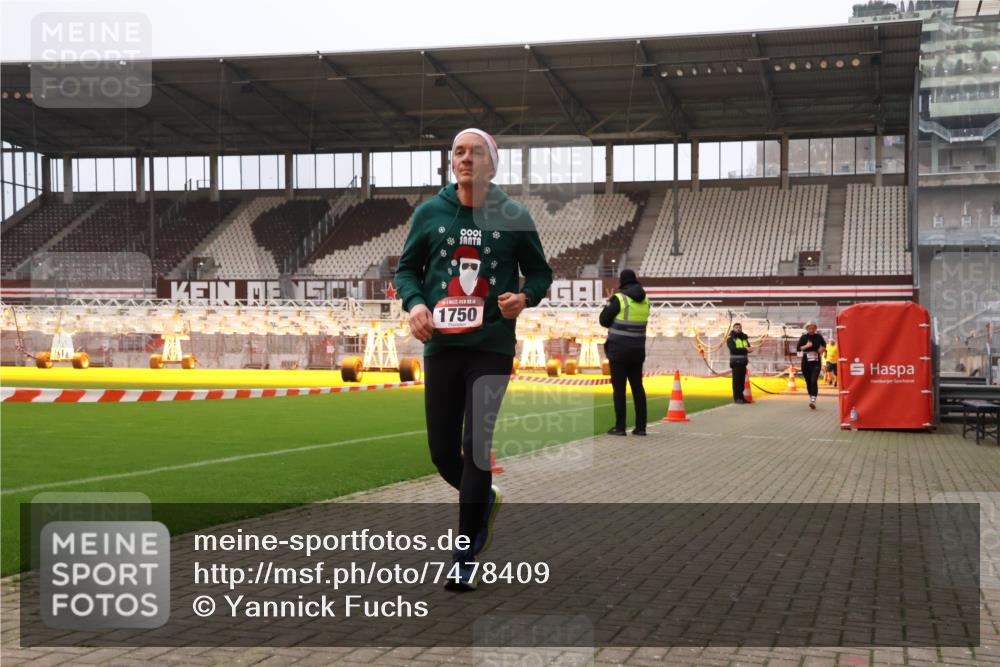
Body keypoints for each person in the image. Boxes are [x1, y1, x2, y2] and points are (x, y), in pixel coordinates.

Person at [395, 128, 552, 591]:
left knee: (476, 445)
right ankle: (484, 500)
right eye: (458, 152)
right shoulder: (429, 213)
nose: (465, 158)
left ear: (492, 163)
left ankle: (464, 555)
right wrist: (415, 304)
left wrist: (524, 298)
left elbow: (541, 272)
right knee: (443, 452)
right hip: (442, 347)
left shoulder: (514, 216)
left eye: (475, 152)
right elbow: (407, 270)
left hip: (491, 346)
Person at [599, 269, 649, 436]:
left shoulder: (619, 298)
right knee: (638, 388)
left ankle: (620, 427)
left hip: (619, 351)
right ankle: (641, 427)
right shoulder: (646, 300)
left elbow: (603, 320)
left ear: (622, 281)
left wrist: (609, 303)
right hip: (638, 351)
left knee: (619, 390)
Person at [796, 322, 827, 409]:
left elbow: (824, 345)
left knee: (814, 380)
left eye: (813, 328)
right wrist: (806, 346)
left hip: (816, 361)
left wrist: (822, 349)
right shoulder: (804, 337)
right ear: (807, 328)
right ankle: (811, 396)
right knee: (808, 381)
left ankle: (813, 399)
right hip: (806, 361)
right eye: (810, 328)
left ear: (815, 329)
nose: (812, 330)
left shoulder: (819, 336)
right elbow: (798, 348)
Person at [726, 323, 752, 404]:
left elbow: (748, 347)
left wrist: (750, 349)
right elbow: (733, 349)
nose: (738, 329)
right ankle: (737, 398)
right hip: (736, 363)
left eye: (739, 327)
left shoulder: (744, 338)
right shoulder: (730, 339)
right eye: (736, 327)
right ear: (733, 329)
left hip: (743, 363)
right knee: (736, 382)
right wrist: (746, 350)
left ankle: (742, 397)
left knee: (741, 382)